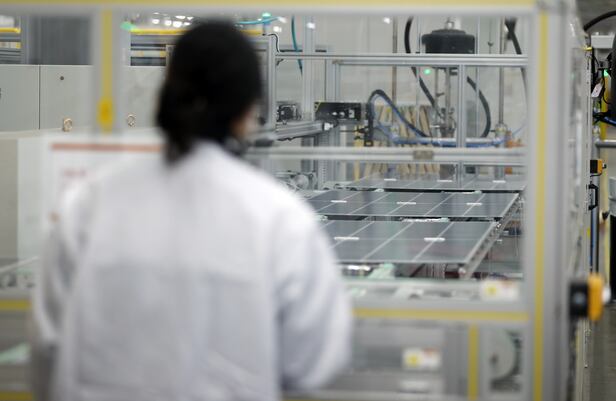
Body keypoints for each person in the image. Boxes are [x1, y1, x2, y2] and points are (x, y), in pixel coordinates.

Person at [30, 21, 352, 401]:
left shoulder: (90, 203)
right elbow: (313, 362)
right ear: (249, 110)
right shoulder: (278, 218)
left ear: (164, 94)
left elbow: (47, 346)